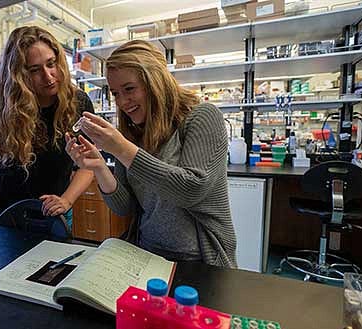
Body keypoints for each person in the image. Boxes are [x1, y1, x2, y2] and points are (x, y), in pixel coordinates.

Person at [65, 40, 237, 267]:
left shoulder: (202, 116)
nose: (123, 102)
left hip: (200, 262)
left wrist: (120, 148)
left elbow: (192, 189)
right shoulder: (132, 133)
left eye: (129, 89)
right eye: (116, 93)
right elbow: (124, 207)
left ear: (155, 82)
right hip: (148, 255)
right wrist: (99, 167)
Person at [0, 26, 94, 272]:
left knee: (50, 282)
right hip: (4, 214)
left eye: (51, 64)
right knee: (4, 277)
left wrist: (67, 200)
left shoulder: (78, 102)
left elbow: (88, 164)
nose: (48, 76)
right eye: (34, 70)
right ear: (17, 74)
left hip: (55, 211)